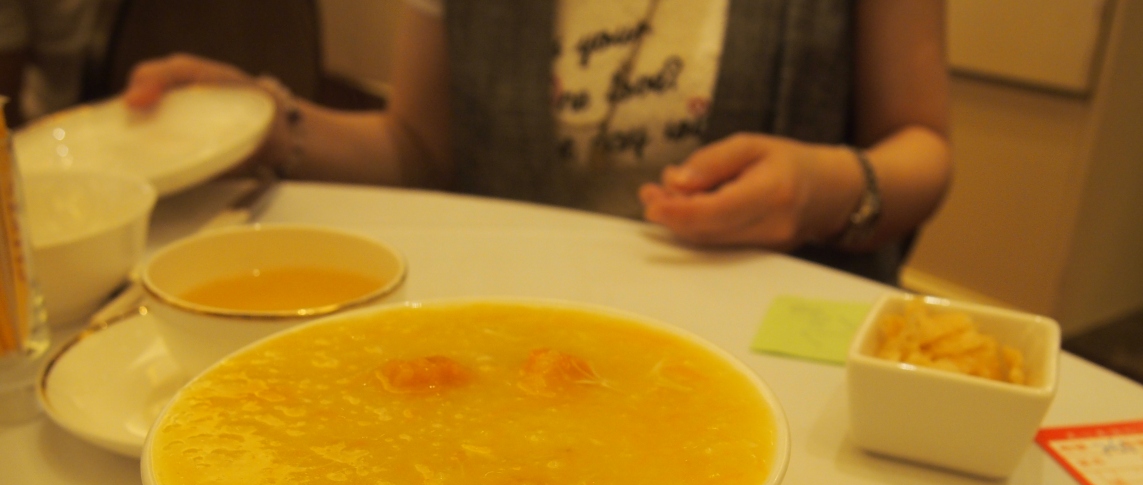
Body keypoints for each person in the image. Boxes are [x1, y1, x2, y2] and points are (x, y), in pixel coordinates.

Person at [123, 0, 950, 282]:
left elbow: (922, 149)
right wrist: (267, 126)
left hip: (770, 342)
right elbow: (416, 146)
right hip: (527, 340)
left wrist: (822, 187)